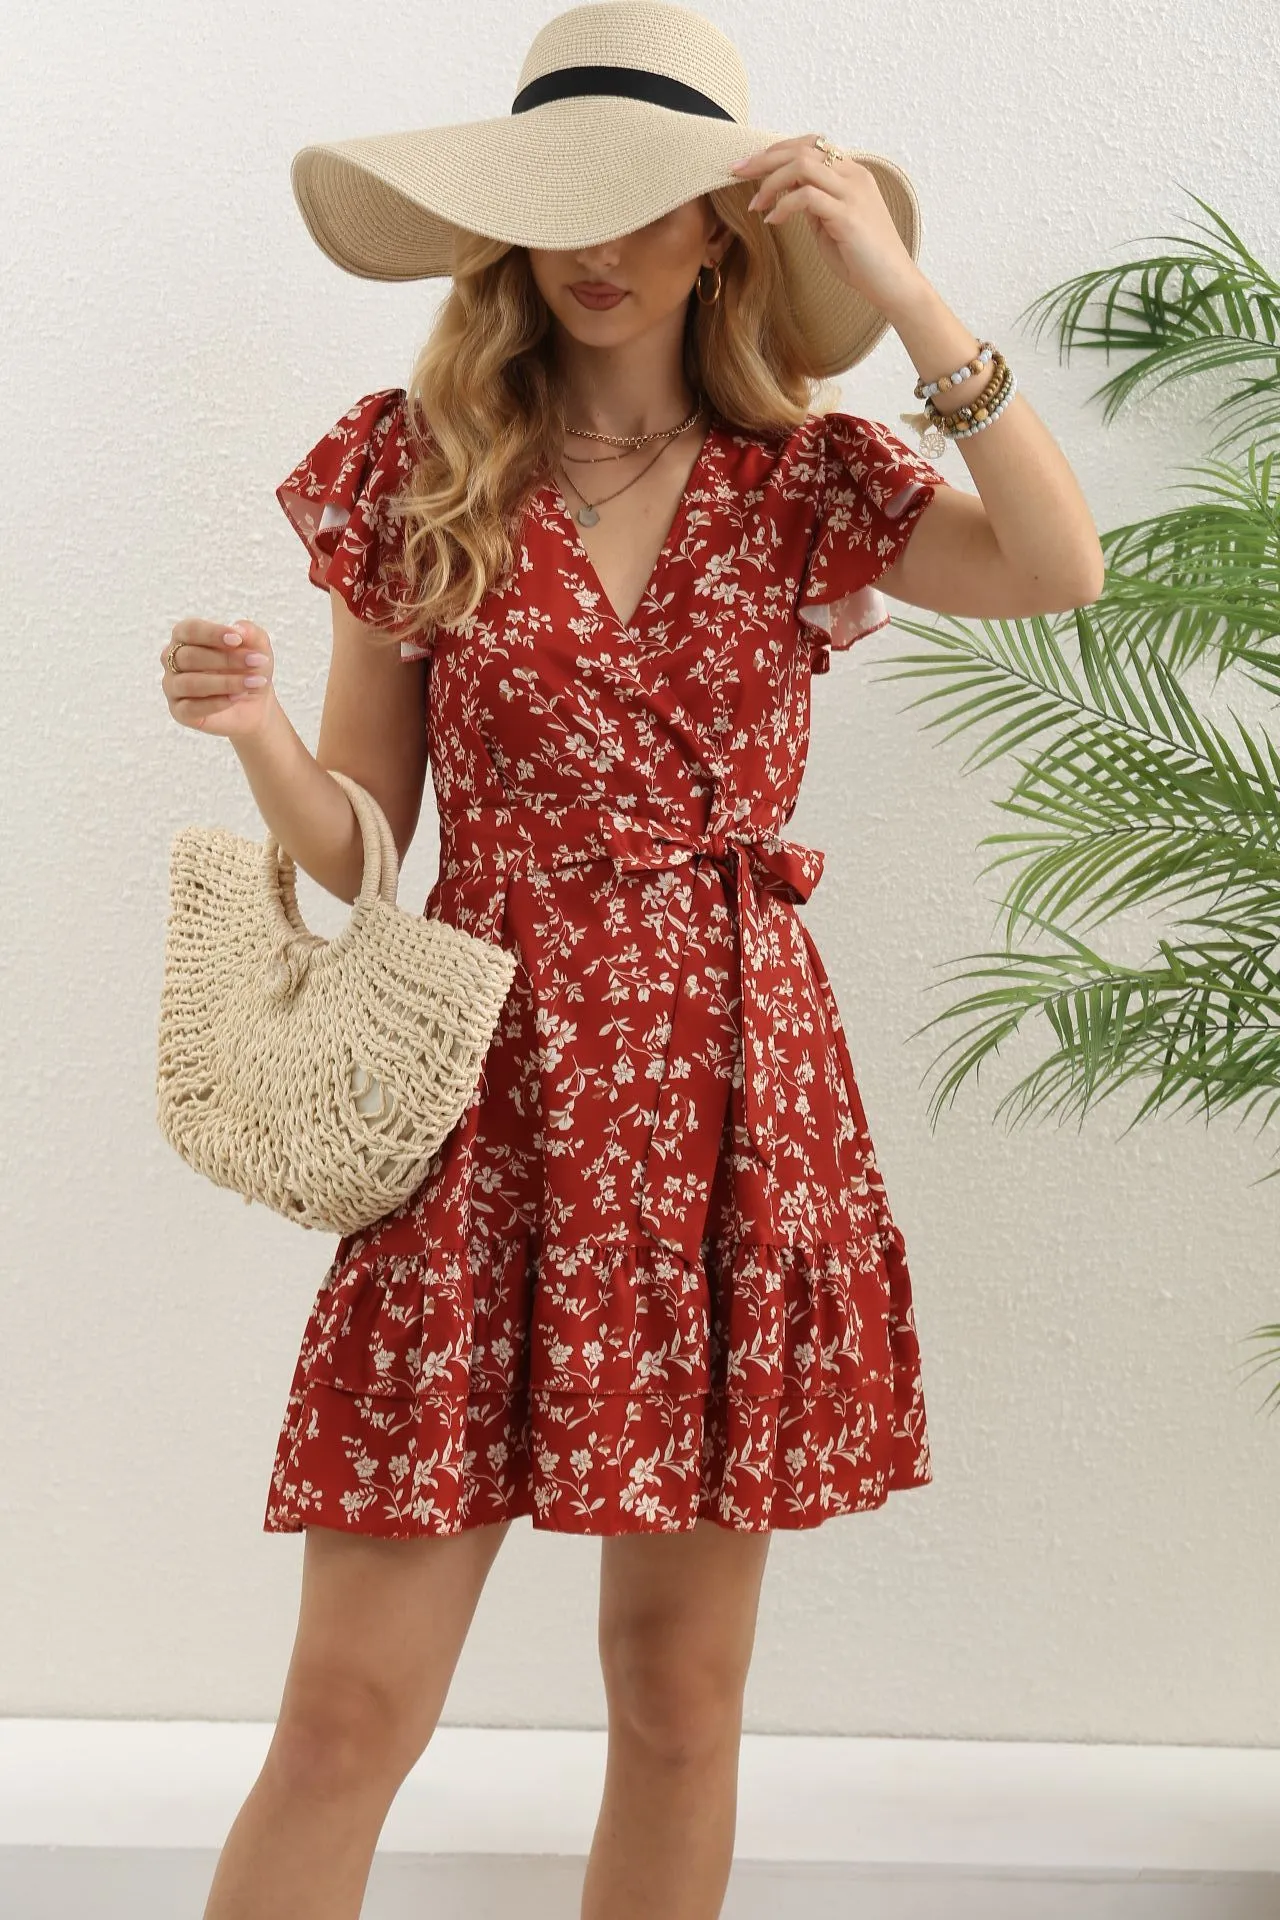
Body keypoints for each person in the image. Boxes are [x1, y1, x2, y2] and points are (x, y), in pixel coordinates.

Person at [161, 5, 1105, 1916]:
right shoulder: (416, 470)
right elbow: (367, 845)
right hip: (484, 1111)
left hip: (729, 1110)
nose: (594, 244)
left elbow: (1057, 567)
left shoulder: (807, 481)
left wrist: (904, 290)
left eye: (646, 199)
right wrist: (257, 735)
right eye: (555, 203)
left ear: (724, 233)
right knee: (344, 1718)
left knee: (678, 1706)